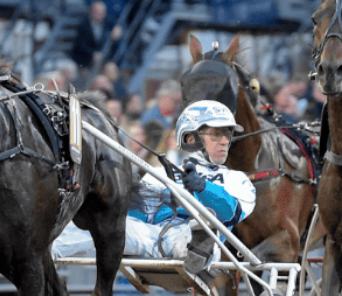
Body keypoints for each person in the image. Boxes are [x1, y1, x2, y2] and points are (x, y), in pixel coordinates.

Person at [52, 100, 256, 277]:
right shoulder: (159, 172)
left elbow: (231, 214)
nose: (225, 141)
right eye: (217, 134)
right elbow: (140, 215)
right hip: (151, 237)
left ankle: (195, 245)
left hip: (205, 243)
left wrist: (203, 188)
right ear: (190, 138)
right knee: (104, 226)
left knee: (200, 232)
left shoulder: (238, 180)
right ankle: (41, 248)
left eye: (227, 135)